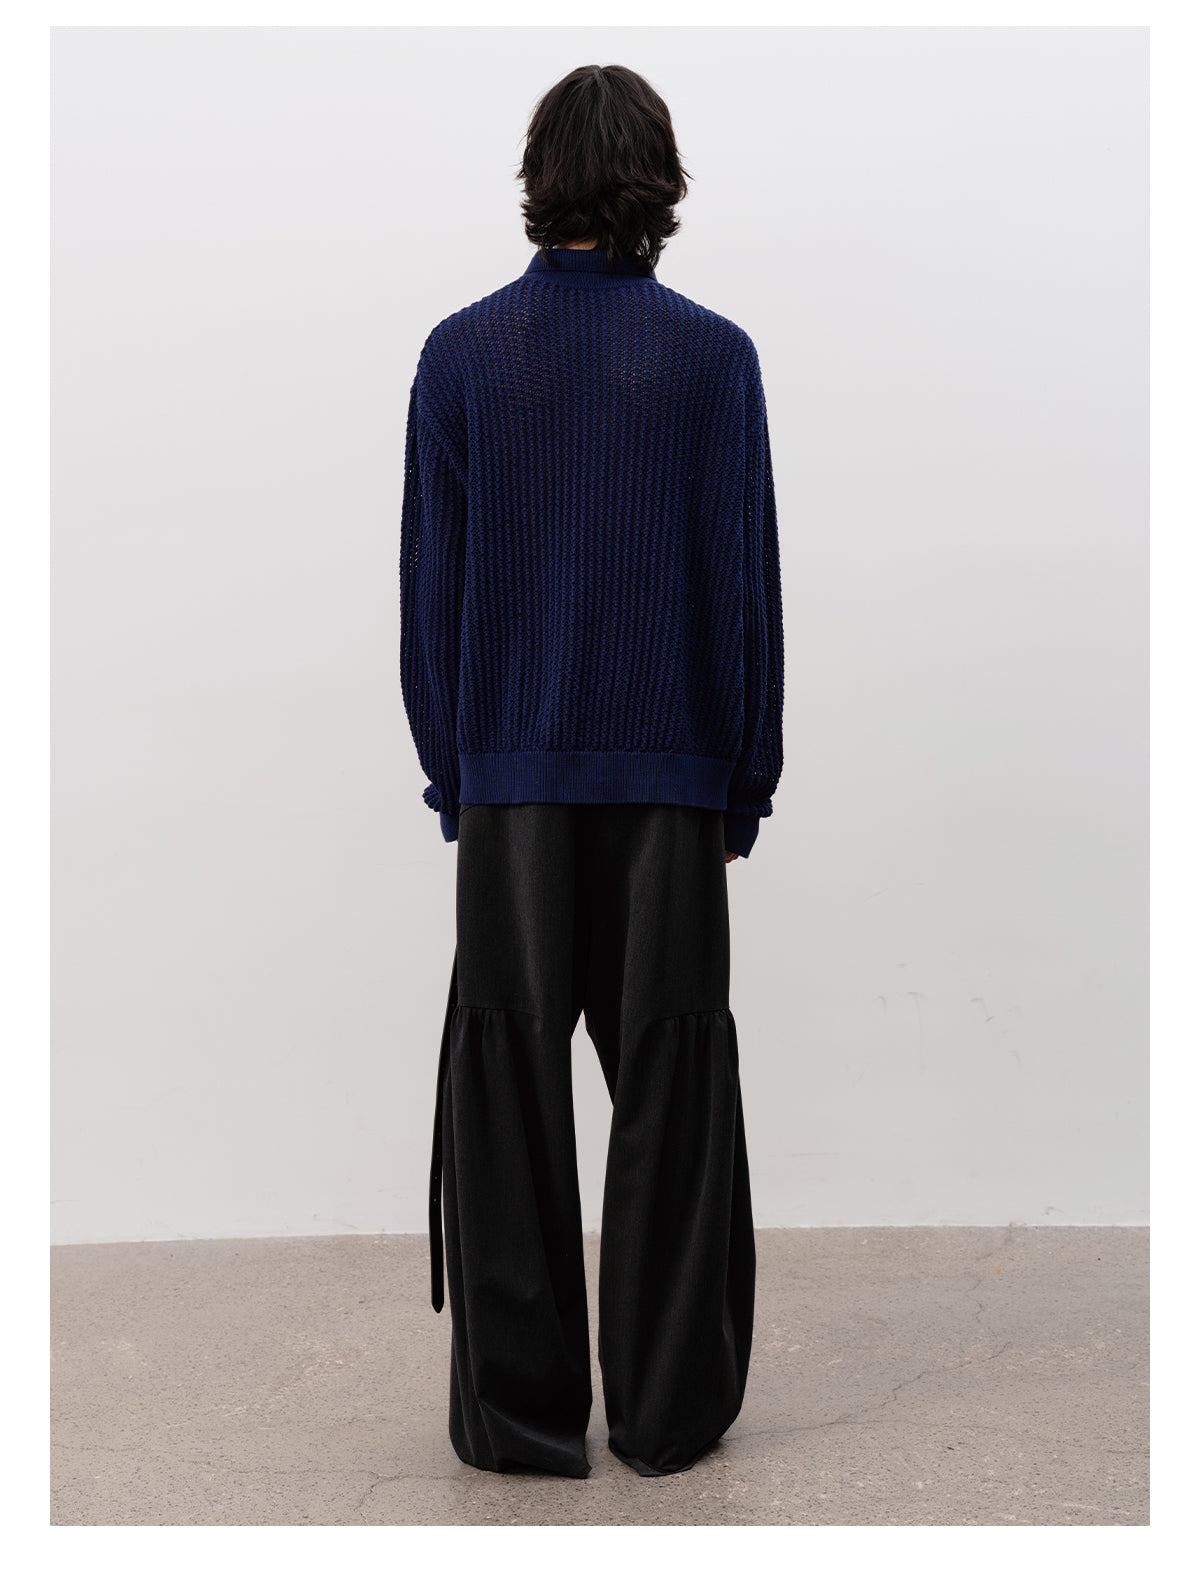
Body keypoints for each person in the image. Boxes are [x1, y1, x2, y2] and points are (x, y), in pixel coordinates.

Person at [399, 63, 785, 1479]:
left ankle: (521, 1416)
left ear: (537, 175)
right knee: (673, 1089)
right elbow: (744, 589)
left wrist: (456, 772)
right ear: (660, 181)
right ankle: (670, 1410)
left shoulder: (462, 355)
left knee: (506, 1089)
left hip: (512, 781)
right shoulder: (712, 359)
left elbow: (429, 594)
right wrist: (743, 780)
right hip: (670, 787)